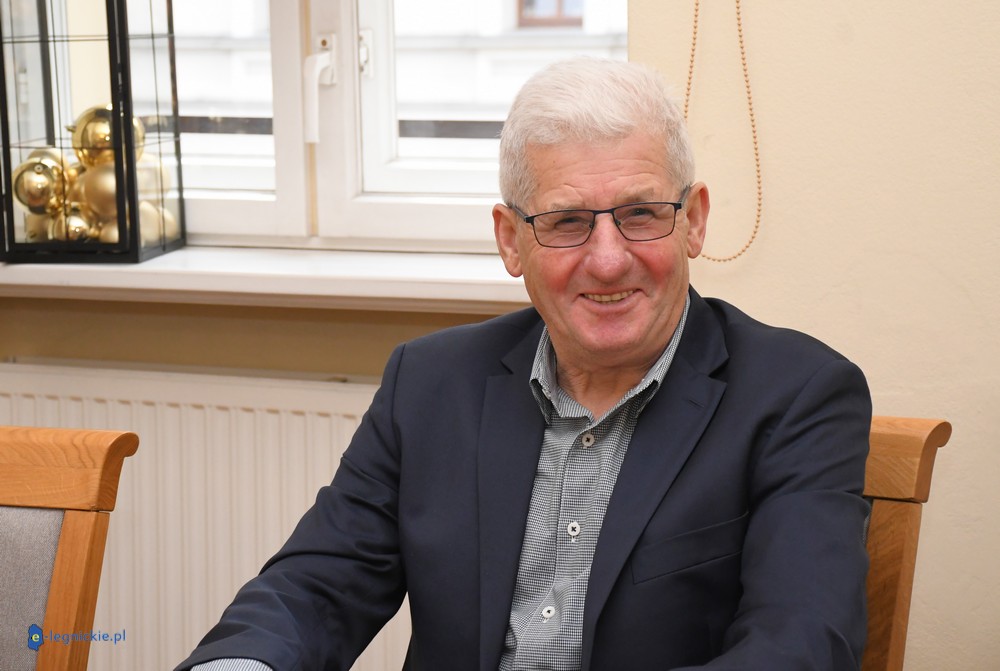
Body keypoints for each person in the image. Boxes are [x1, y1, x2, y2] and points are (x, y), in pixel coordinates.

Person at [177, 58, 871, 671]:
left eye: (640, 214)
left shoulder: (798, 396)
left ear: (693, 220)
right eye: (567, 222)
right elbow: (315, 587)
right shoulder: (430, 383)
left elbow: (800, 647)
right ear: (511, 241)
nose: (608, 260)